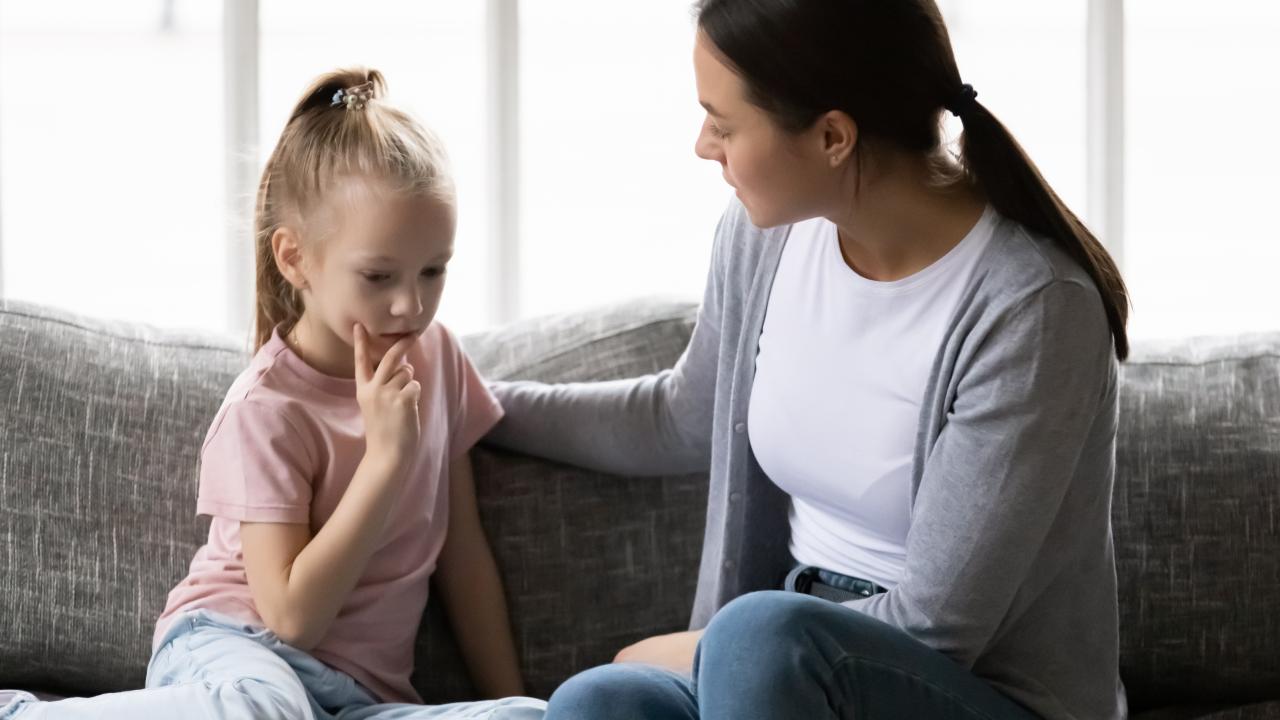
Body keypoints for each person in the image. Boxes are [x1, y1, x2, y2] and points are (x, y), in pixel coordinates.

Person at [483, 1, 1130, 718]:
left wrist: (700, 647)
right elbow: (682, 417)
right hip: (776, 672)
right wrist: (475, 402)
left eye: (724, 124)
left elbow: (939, 627)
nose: (704, 144)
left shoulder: (1032, 309)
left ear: (832, 136)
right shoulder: (763, 240)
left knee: (759, 640)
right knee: (601, 702)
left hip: (974, 692)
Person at [0, 68, 546, 720]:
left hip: (359, 701)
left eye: (434, 270)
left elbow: (463, 557)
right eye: (378, 275)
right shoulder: (266, 410)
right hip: (238, 652)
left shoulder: (438, 361)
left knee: (534, 718)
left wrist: (510, 695)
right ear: (295, 259)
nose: (411, 304)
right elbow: (291, 618)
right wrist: (385, 460)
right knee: (269, 709)